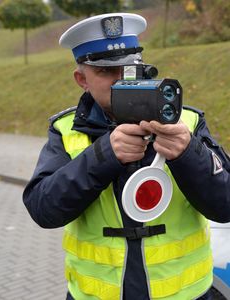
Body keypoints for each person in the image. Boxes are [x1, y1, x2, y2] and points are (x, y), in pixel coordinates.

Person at [23, 13, 230, 300]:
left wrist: (188, 153)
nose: (121, 80)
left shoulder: (187, 122)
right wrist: (103, 155)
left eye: (129, 69)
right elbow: (43, 210)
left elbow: (226, 207)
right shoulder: (65, 130)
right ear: (81, 79)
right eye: (106, 72)